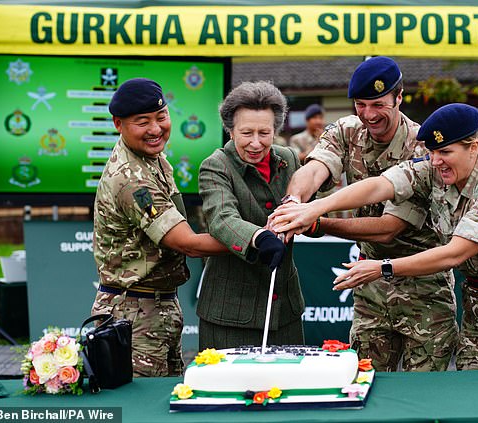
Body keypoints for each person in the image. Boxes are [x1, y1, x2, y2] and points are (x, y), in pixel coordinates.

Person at [272, 103, 478, 370]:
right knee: (475, 393)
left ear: (474, 147)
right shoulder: (434, 169)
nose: (436, 161)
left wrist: (382, 267)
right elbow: (379, 185)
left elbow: (454, 253)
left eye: (446, 152)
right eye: (432, 152)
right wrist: (316, 207)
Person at [270, 57, 458, 372]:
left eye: (378, 105)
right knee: (365, 384)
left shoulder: (424, 148)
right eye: (360, 105)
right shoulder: (346, 130)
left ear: (399, 98)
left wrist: (318, 222)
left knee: (423, 396)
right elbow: (316, 168)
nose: (369, 115)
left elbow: (388, 228)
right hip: (371, 289)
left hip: (424, 289)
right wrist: (293, 202)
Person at [92, 78, 228, 377]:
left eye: (161, 117)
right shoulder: (131, 178)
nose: (155, 129)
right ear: (119, 124)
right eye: (143, 122)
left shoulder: (153, 159)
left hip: (156, 307)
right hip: (134, 316)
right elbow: (186, 243)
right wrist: (253, 239)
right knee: (139, 410)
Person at [197, 81, 305, 350]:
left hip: (285, 312)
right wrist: (259, 237)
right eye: (246, 133)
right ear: (230, 131)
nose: (256, 143)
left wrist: (310, 218)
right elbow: (221, 218)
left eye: (264, 133)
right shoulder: (216, 165)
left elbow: (310, 205)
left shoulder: (289, 158)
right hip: (230, 313)